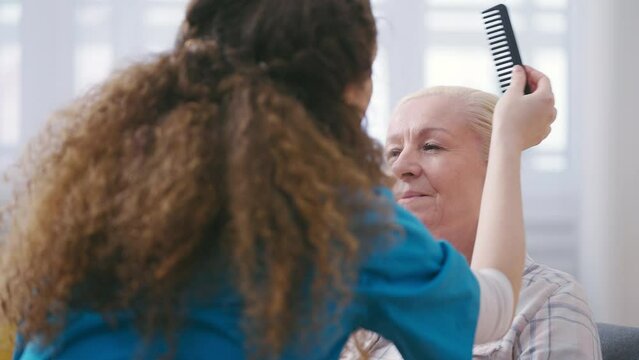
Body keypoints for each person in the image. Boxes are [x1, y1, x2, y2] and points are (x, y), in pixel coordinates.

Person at [0, 0, 555, 359]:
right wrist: (508, 139)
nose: (403, 163)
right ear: (349, 89)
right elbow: (494, 310)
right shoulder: (338, 219)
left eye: (431, 145)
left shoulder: (98, 195)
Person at [341, 86, 601, 359]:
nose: (400, 166)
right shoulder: (363, 288)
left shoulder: (546, 300)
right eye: (393, 152)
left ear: (497, 166)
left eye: (431, 146)